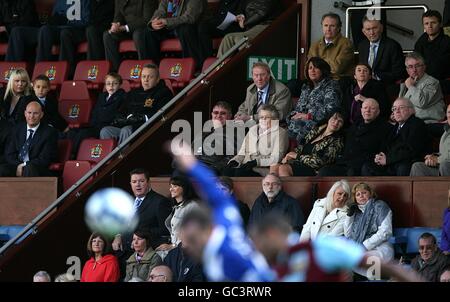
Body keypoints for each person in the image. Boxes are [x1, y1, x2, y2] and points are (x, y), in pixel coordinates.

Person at [249, 212, 422, 282]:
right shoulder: (264, 268)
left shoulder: (320, 248)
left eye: (257, 241)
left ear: (271, 234)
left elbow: (378, 266)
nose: (256, 247)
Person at [112, 168, 172, 274]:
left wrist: (142, 235)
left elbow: (165, 230)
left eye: (141, 181)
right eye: (134, 182)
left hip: (144, 255)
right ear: (130, 184)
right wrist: (117, 236)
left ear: (148, 182)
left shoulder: (160, 202)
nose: (138, 185)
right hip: (122, 251)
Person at [100, 64, 173, 144]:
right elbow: (121, 110)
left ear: (157, 79)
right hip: (129, 125)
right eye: (144, 76)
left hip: (148, 128)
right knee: (106, 131)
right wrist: (120, 118)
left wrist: (142, 118)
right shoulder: (133, 93)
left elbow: (161, 114)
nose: (146, 80)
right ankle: (109, 156)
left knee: (126, 130)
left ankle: (123, 156)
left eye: (150, 77)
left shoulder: (164, 93)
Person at [319, 99, 392, 176]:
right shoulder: (355, 125)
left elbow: (383, 152)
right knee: (325, 171)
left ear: (378, 112)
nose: (368, 110)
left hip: (364, 166)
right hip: (344, 164)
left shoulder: (385, 128)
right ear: (361, 110)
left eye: (372, 108)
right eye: (365, 108)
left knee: (352, 173)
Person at [361, 98, 430, 176]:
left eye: (401, 108)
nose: (396, 111)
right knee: (367, 167)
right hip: (393, 162)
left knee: (403, 167)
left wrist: (388, 159)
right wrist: (380, 156)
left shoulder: (417, 124)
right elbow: (387, 145)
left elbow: (410, 150)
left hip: (407, 161)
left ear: (411, 110)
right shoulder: (396, 126)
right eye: (394, 109)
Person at [67, 72, 126, 157]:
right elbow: (95, 113)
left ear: (120, 85)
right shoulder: (102, 96)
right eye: (108, 83)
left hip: (106, 126)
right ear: (105, 85)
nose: (111, 86)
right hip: (95, 125)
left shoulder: (122, 96)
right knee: (72, 132)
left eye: (115, 83)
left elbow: (117, 115)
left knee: (83, 134)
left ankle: (73, 155)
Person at [286, 57, 341, 145]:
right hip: (300, 123)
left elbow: (331, 110)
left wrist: (309, 116)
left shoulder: (331, 85)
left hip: (320, 124)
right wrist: (293, 116)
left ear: (323, 70)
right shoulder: (306, 87)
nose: (312, 70)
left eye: (316, 67)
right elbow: (298, 108)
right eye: (310, 68)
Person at [272, 111, 344, 177]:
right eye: (334, 118)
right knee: (274, 166)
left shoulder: (337, 141)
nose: (336, 122)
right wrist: (288, 156)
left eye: (340, 121)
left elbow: (322, 162)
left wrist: (297, 156)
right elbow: (302, 146)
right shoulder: (317, 130)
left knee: (284, 168)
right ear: (329, 118)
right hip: (299, 163)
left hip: (313, 169)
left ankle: (288, 191)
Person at [224, 104, 288, 177]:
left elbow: (276, 157)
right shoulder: (253, 129)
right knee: (227, 171)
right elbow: (242, 152)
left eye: (266, 117)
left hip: (262, 168)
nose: (263, 120)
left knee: (240, 173)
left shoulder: (281, 133)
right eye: (261, 117)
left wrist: (256, 162)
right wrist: (235, 161)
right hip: (244, 165)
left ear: (274, 119)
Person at [0, 101, 58, 177]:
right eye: (29, 113)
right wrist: (19, 165)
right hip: (17, 165)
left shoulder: (49, 132)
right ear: (25, 113)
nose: (31, 116)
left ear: (41, 115)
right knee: (2, 169)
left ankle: (26, 189)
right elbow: (9, 153)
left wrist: (25, 165)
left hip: (36, 167)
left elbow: (45, 158)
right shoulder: (16, 129)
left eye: (35, 113)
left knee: (29, 169)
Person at [344, 183, 394, 269]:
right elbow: (348, 235)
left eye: (364, 192)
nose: (361, 196)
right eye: (358, 194)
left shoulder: (380, 206)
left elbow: (385, 231)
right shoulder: (356, 211)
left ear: (370, 193)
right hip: (359, 249)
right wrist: (349, 216)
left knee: (357, 260)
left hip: (380, 247)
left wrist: (365, 246)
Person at [147, 0, 207, 70]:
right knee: (144, 33)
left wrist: (167, 21)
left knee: (185, 29)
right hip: (170, 28)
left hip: (191, 30)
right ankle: (151, 70)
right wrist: (153, 23)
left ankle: (192, 68)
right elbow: (160, 12)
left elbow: (190, 17)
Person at [103, 0, 158, 71]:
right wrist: (116, 25)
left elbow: (147, 20)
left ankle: (146, 71)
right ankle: (114, 74)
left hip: (145, 29)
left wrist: (125, 27)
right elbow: (118, 16)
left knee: (138, 34)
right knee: (108, 35)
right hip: (127, 30)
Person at [216, 0, 280, 60]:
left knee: (234, 38)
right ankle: (219, 68)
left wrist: (245, 23)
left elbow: (262, 12)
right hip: (251, 27)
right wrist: (240, 16)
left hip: (266, 25)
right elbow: (242, 9)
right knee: (228, 38)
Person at [190, 101, 239, 175]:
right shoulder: (204, 131)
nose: (218, 116)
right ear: (212, 114)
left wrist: (215, 168)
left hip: (211, 166)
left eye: (223, 113)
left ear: (229, 116)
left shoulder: (234, 132)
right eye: (216, 113)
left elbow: (232, 156)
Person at [155, 176, 199, 255]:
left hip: (186, 251)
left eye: (175, 186)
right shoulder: (176, 207)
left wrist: (173, 246)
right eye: (171, 186)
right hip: (175, 250)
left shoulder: (193, 206)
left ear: (184, 188)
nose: (171, 189)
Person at [398, 52, 445, 124]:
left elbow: (422, 102)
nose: (414, 70)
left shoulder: (432, 82)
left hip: (428, 122)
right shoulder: (406, 83)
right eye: (410, 67)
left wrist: (410, 87)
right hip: (409, 123)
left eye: (417, 66)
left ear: (424, 67)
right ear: (407, 70)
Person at [357, 17, 405, 87]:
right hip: (365, 86)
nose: (372, 32)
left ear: (381, 28)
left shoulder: (392, 46)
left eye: (374, 28)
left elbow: (399, 72)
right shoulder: (362, 46)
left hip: (385, 86)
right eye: (368, 29)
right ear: (364, 32)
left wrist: (376, 76)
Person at [308, 13, 354, 79]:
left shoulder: (346, 44)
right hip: (317, 82)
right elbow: (308, 67)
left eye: (332, 26)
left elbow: (336, 69)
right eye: (326, 25)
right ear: (322, 27)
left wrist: (317, 67)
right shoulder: (315, 45)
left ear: (338, 28)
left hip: (338, 82)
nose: (328, 29)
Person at [410, 103, 450, 176]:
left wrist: (438, 159)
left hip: (446, 166)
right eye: (449, 112)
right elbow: (445, 153)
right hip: (442, 166)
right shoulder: (446, 132)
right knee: (417, 166)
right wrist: (432, 157)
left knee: (445, 165)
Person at [414, 10, 450, 81]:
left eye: (433, 23)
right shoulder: (420, 41)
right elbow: (414, 61)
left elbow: (439, 67)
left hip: (441, 82)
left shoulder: (447, 42)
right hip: (423, 79)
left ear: (440, 24)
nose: (430, 26)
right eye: (426, 23)